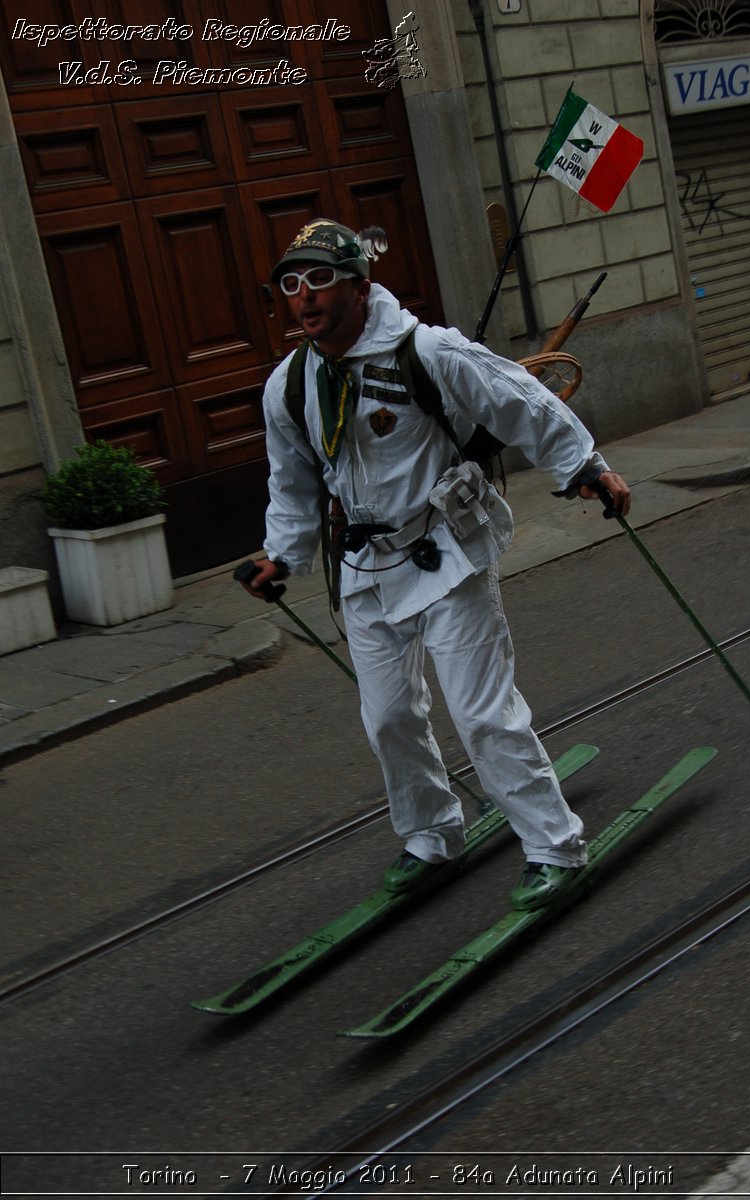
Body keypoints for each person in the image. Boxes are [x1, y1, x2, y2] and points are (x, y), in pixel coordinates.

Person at [242, 218, 631, 910]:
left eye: (320, 280)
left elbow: (522, 401)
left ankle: (554, 846)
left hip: (446, 553)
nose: (304, 298)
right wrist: (282, 556)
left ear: (361, 288)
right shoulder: (289, 386)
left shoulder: (430, 351)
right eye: (291, 284)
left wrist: (585, 467)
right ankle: (430, 832)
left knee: (481, 714)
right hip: (363, 569)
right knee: (388, 717)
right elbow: (293, 482)